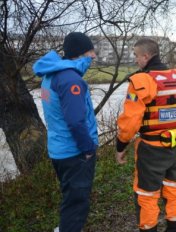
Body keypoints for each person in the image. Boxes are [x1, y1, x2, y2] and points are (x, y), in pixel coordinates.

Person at [115, 38, 176, 231]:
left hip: (152, 149)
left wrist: (120, 146)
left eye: (135, 55)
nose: (135, 60)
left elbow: (131, 121)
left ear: (145, 56)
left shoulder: (142, 80)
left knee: (147, 194)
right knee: (175, 188)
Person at [33, 32, 98, 232]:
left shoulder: (51, 75)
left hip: (59, 148)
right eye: (90, 51)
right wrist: (88, 149)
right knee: (77, 205)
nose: (94, 56)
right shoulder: (70, 80)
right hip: (74, 153)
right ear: (79, 54)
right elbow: (76, 121)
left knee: (70, 198)